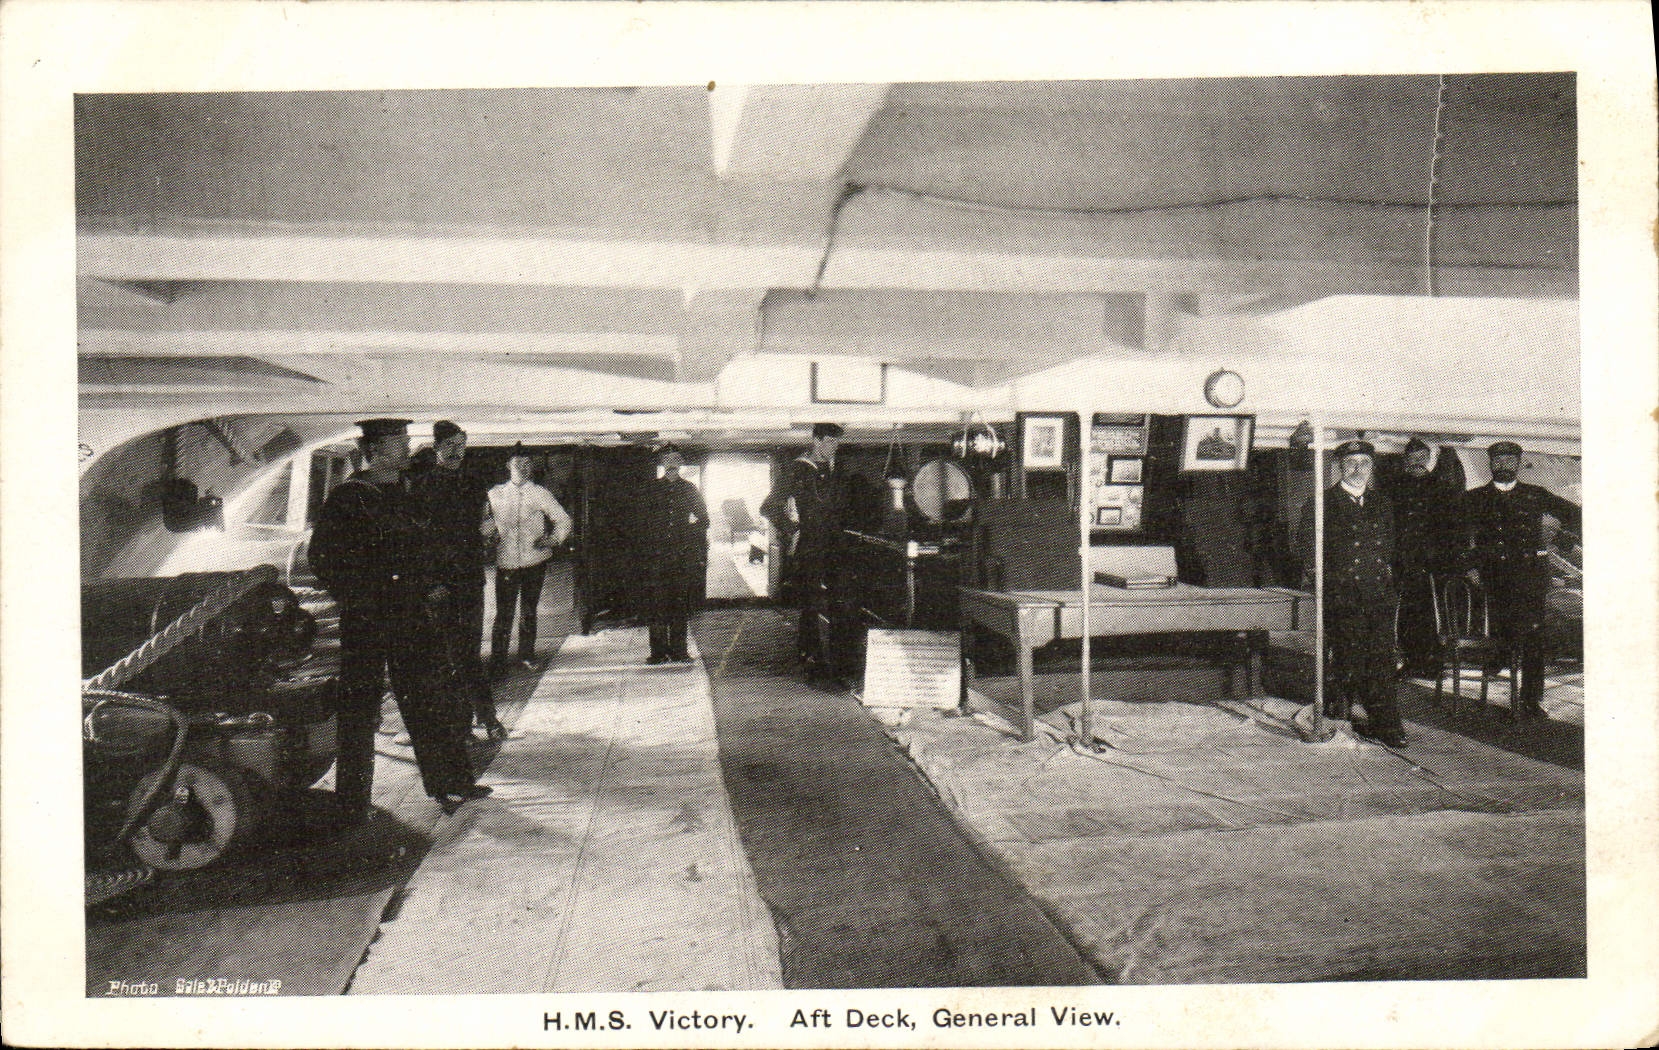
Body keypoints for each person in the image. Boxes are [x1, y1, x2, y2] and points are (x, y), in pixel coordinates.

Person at [308, 419, 486, 822]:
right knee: (359, 708)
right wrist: (361, 596)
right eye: (399, 442)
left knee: (430, 698)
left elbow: (426, 548)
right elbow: (323, 559)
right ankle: (353, 801)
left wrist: (433, 582)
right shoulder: (348, 496)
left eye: (406, 441)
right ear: (375, 450)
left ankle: (451, 782)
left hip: (411, 615)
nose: (408, 448)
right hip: (368, 617)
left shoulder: (407, 491)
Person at [1460, 441, 1581, 718]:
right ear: (1491, 464)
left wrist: (1564, 538)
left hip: (1529, 578)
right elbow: (1456, 535)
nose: (1503, 465)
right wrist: (1470, 566)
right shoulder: (1474, 498)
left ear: (1518, 463)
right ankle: (1499, 660)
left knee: (1534, 639)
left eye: (1509, 460)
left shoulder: (1535, 494)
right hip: (1493, 578)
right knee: (1501, 633)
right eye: (1498, 460)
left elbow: (1575, 514)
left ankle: (1531, 699)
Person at [1298, 440, 1406, 747]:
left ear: (1372, 467)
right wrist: (1321, 578)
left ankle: (1387, 724)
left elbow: (1391, 546)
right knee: (1350, 657)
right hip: (1342, 595)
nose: (1358, 469)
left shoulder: (1382, 503)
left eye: (1364, 463)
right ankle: (1345, 711)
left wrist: (1389, 581)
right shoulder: (1321, 503)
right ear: (1339, 467)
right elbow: (1306, 548)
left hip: (1377, 594)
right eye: (1351, 463)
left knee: (1382, 659)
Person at [411, 421, 505, 740]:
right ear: (436, 447)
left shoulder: (474, 484)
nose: (457, 450)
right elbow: (416, 542)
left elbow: (486, 524)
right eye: (450, 444)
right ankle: (472, 721)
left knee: (469, 652)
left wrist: (489, 538)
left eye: (461, 443)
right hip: (440, 586)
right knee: (449, 654)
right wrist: (429, 583)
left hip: (470, 580)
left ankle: (474, 720)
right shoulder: (422, 487)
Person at [760, 422, 846, 681]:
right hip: (809, 546)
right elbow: (768, 506)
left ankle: (829, 656)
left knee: (835, 601)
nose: (835, 447)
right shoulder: (797, 470)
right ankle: (811, 654)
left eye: (837, 442)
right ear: (816, 441)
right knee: (811, 602)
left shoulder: (830, 470)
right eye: (830, 442)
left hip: (831, 545)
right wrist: (792, 529)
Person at [484, 443, 573, 677]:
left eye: (526, 463)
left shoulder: (540, 493)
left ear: (531, 467)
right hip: (507, 562)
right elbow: (484, 525)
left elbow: (563, 520)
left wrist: (553, 539)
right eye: (517, 463)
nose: (523, 466)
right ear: (508, 466)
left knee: (528, 610)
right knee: (504, 612)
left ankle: (526, 655)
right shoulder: (495, 494)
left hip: (535, 560)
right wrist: (488, 537)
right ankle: (498, 660)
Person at [1389, 437, 1459, 678]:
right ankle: (1410, 661)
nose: (1417, 463)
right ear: (1405, 460)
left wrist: (1443, 557)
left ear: (1428, 460)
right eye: (1412, 458)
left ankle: (1435, 665)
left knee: (1435, 615)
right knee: (1406, 614)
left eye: (1421, 458)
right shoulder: (1394, 488)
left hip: (1433, 565)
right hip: (1404, 563)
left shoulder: (1442, 487)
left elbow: (1452, 527)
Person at [641, 444, 710, 665]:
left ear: (680, 463)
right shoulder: (652, 489)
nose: (672, 463)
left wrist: (686, 535)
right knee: (657, 604)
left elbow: (704, 519)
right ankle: (658, 651)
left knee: (679, 603)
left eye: (676, 459)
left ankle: (679, 650)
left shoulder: (689, 489)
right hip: (656, 556)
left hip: (681, 556)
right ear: (662, 463)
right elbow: (640, 521)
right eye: (667, 459)